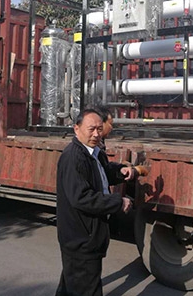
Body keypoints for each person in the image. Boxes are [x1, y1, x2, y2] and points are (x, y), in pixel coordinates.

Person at [56, 108, 136, 296]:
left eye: (100, 129)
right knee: (86, 288)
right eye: (91, 129)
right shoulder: (74, 157)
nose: (96, 134)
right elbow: (82, 198)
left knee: (71, 286)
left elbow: (102, 172)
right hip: (81, 238)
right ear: (76, 129)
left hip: (86, 236)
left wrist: (120, 171)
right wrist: (118, 202)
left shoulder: (94, 152)